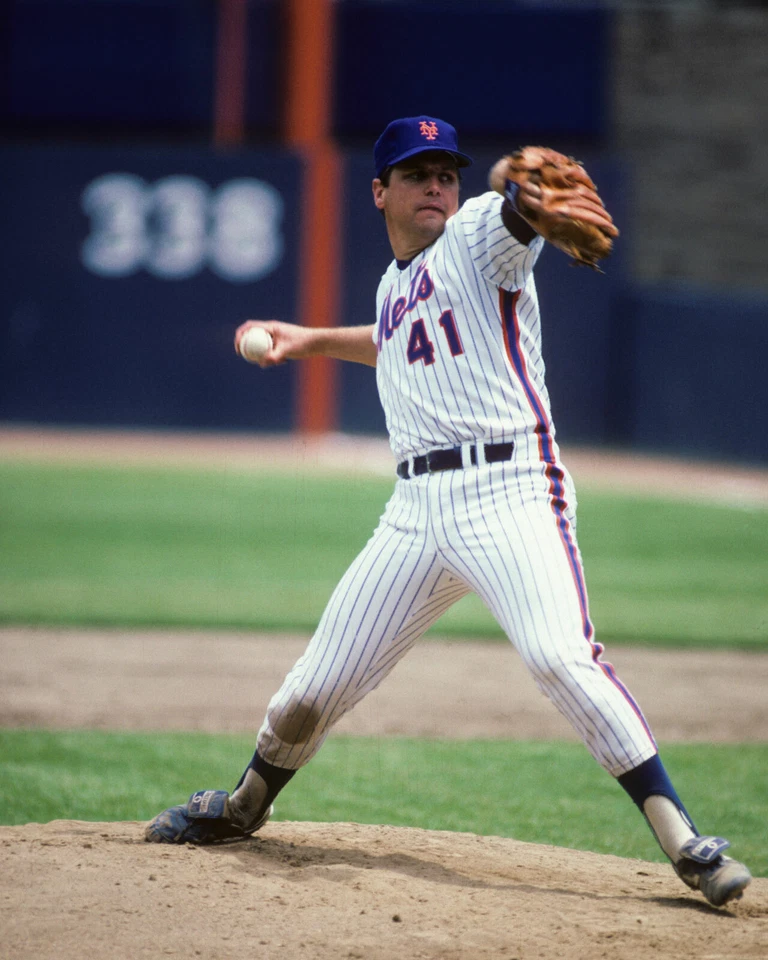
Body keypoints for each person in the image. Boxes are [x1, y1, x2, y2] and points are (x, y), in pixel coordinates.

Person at [146, 115, 751, 908]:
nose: (436, 183)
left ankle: (687, 844)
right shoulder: (396, 283)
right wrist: (308, 340)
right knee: (309, 691)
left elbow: (514, 211)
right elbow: (397, 338)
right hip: (413, 511)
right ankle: (243, 808)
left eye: (445, 171)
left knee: (558, 657)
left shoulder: (476, 235)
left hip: (509, 492)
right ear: (380, 192)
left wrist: (514, 188)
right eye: (416, 172)